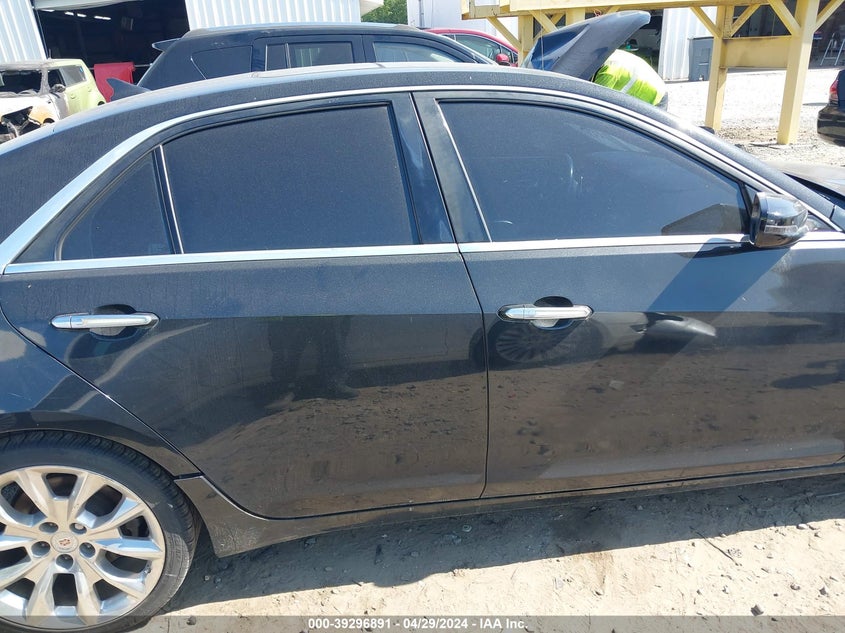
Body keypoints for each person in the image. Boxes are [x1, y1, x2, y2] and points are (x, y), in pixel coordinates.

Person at [593, 49, 668, 109]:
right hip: (657, 87)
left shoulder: (608, 73)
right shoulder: (611, 55)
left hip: (655, 98)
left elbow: (599, 101)